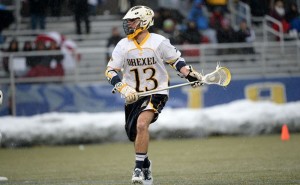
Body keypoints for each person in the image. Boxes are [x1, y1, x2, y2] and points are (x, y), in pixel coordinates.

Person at [105, 5, 203, 185]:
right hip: (133, 95)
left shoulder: (159, 41)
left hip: (157, 91)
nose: (128, 24)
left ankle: (137, 170)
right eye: (128, 21)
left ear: (144, 21)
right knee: (134, 133)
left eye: (132, 21)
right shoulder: (123, 44)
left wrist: (189, 74)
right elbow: (110, 71)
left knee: (142, 124)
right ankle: (146, 164)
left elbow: (176, 61)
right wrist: (122, 87)